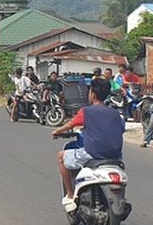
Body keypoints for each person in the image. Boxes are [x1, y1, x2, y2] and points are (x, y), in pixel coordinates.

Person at [51, 77, 125, 212]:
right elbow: (120, 129)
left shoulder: (87, 111)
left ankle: (70, 194)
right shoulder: (116, 114)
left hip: (93, 154)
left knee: (61, 156)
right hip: (116, 157)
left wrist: (57, 131)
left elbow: (70, 124)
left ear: (93, 94)